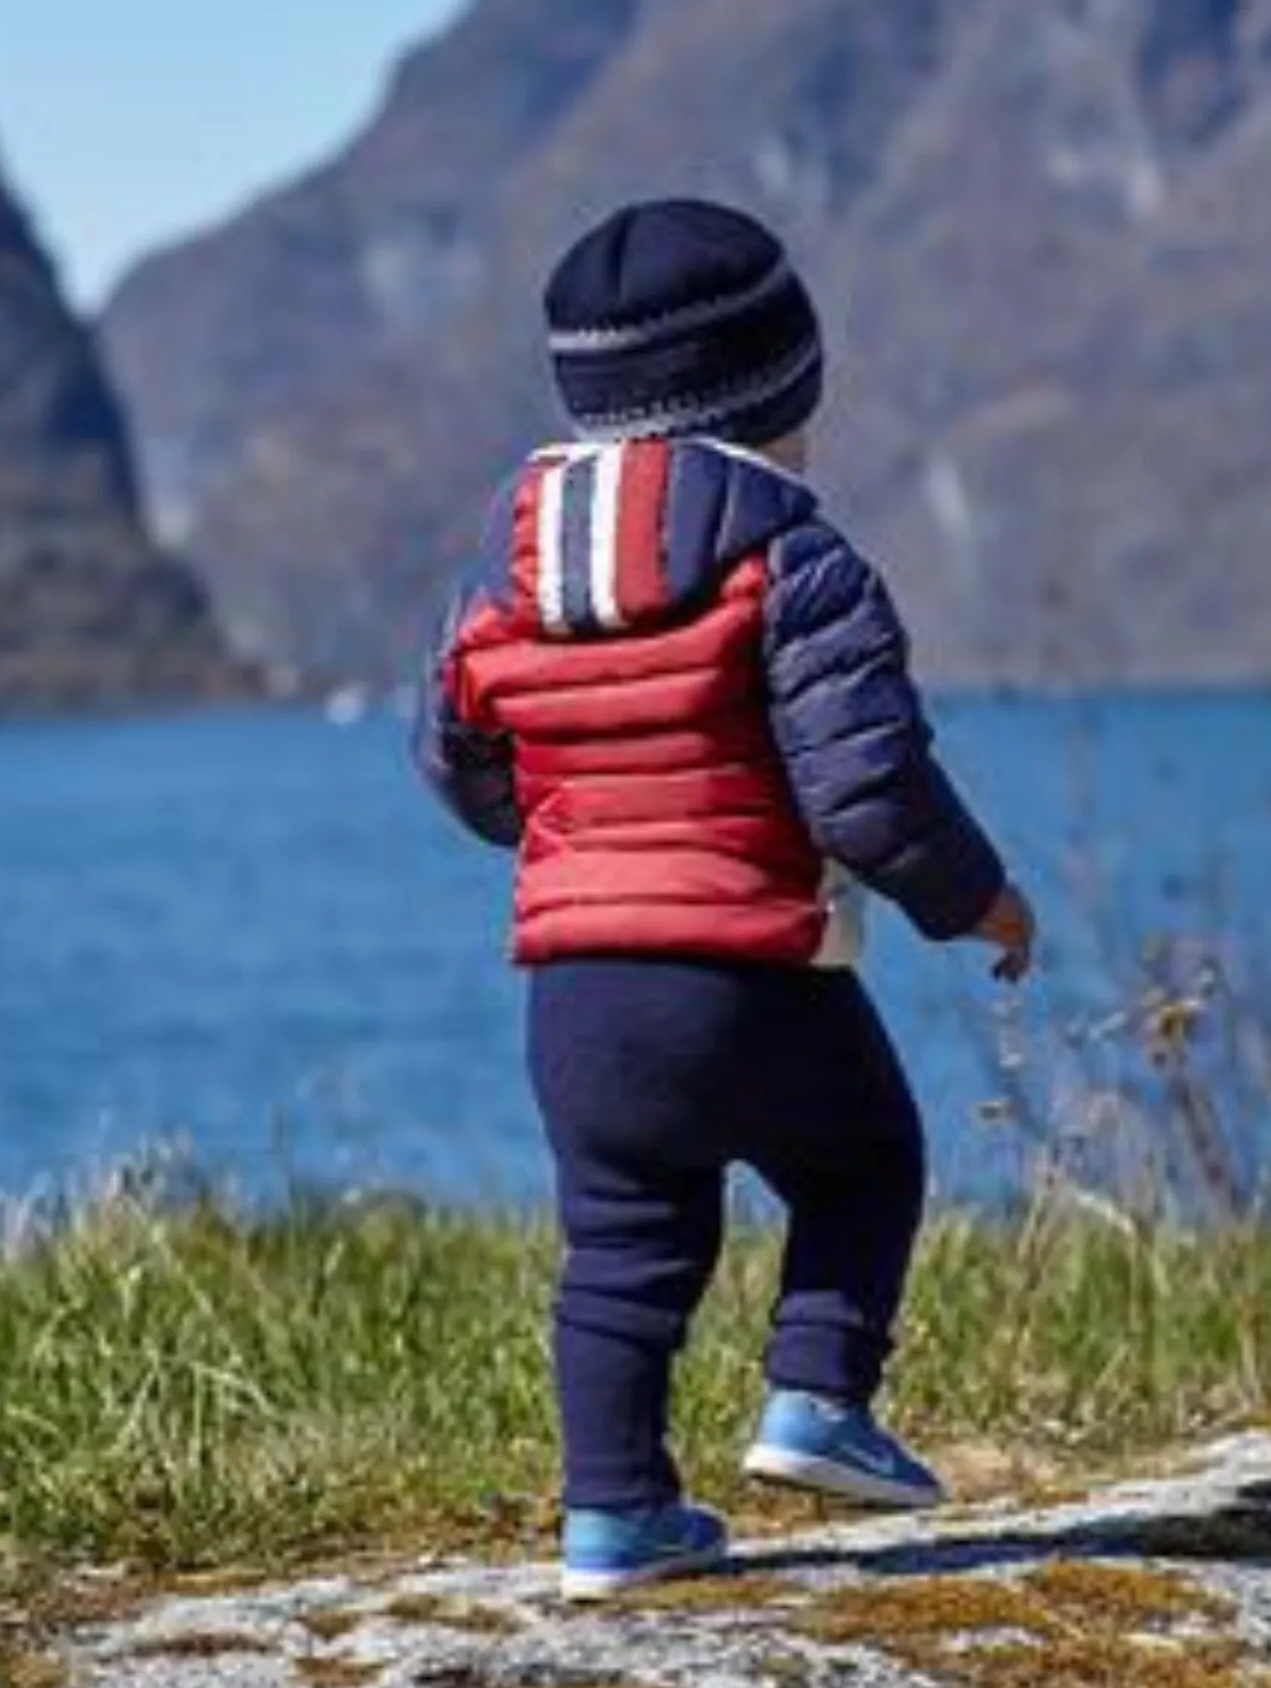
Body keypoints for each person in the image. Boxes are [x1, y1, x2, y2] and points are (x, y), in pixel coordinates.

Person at [416, 197, 1035, 1600]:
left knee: (622, 1251)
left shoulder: (499, 581)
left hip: (576, 988)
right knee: (863, 1159)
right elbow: (869, 794)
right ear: (776, 393)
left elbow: (457, 763)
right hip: (751, 971)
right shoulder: (794, 565)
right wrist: (981, 902)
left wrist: (575, 837)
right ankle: (817, 1401)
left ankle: (614, 1518)